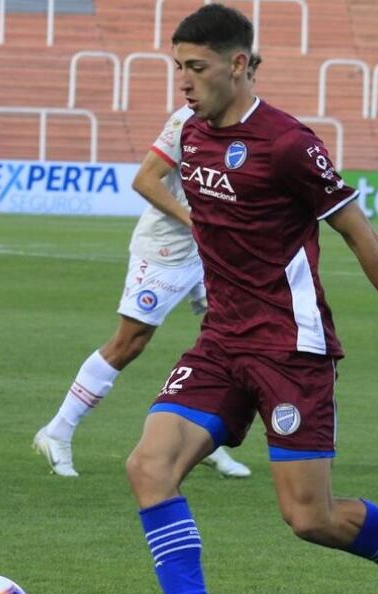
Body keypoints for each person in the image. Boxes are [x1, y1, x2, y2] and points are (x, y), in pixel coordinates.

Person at [124, 6, 378, 594]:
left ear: (240, 64)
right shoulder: (190, 131)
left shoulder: (288, 144)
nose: (185, 82)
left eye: (197, 68)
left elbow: (361, 236)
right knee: (149, 466)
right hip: (222, 340)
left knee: (310, 518)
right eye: (179, 68)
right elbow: (155, 181)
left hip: (290, 347)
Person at [33, 106, 250, 480]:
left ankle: (204, 438)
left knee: (232, 337)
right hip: (165, 251)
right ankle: (58, 430)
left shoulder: (245, 121)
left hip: (206, 251)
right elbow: (145, 180)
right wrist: (195, 222)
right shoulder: (188, 120)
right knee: (128, 343)